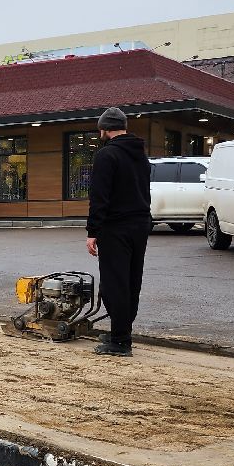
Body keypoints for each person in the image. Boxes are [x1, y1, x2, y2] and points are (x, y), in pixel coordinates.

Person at [86, 107, 151, 357]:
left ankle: (120, 341)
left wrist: (93, 231)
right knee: (132, 281)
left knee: (115, 283)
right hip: (141, 224)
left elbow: (99, 197)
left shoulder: (107, 155)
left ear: (104, 129)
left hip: (116, 226)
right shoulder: (140, 155)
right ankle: (121, 332)